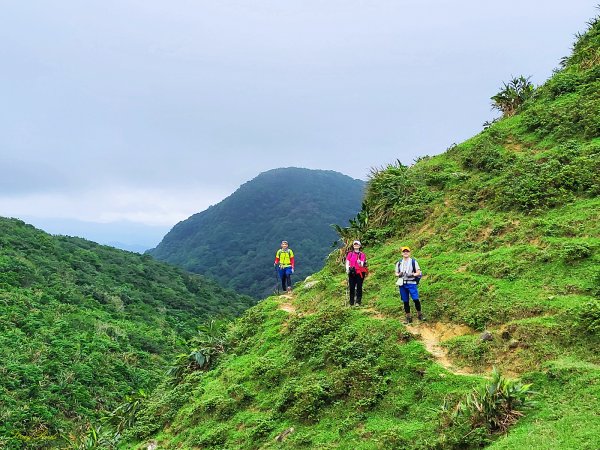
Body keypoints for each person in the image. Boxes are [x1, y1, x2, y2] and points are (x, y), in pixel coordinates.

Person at [395, 246, 424, 323]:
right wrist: (399, 274)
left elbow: (418, 272)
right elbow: (396, 273)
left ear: (409, 253)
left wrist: (412, 274)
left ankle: (419, 314)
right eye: (404, 251)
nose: (405, 252)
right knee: (405, 300)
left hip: (412, 283)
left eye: (407, 251)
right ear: (401, 253)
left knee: (416, 299)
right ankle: (408, 316)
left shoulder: (413, 262)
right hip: (402, 284)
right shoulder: (399, 263)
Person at [346, 240, 368, 306]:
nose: (356, 245)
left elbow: (362, 264)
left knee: (359, 287)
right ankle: (351, 302)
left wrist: (359, 263)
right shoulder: (350, 254)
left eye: (357, 244)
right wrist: (347, 270)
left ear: (359, 246)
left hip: (359, 273)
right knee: (351, 287)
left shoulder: (362, 255)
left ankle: (358, 302)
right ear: (353, 246)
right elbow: (347, 262)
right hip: (352, 272)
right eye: (354, 244)